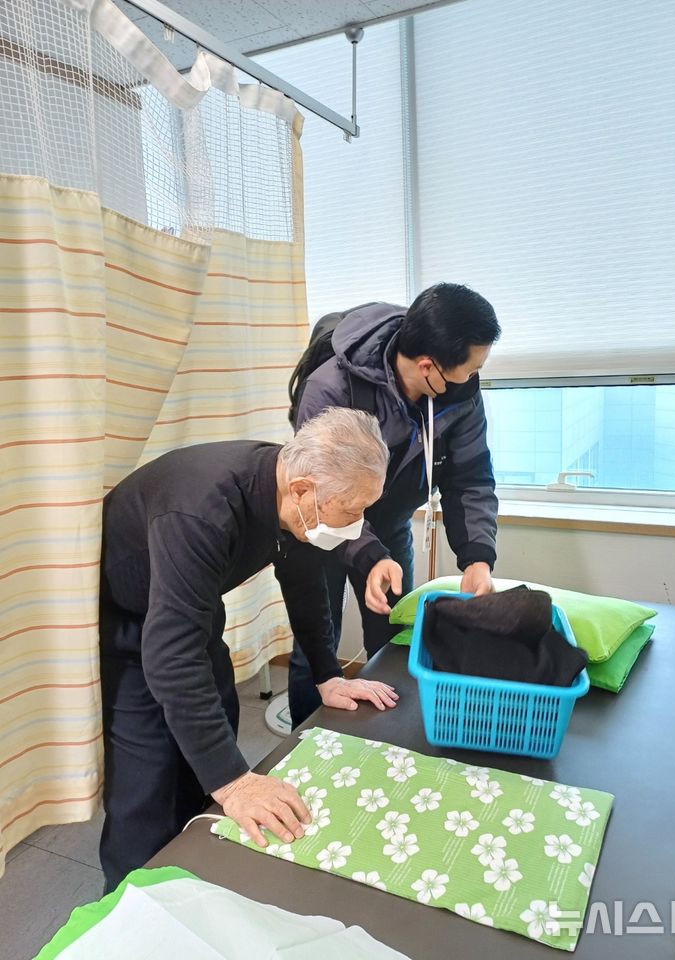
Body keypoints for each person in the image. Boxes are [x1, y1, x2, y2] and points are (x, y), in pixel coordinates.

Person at [98, 408, 398, 892]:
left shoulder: (291, 498)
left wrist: (327, 674)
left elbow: (303, 586)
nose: (356, 525)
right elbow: (171, 657)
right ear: (301, 491)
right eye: (350, 511)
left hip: (190, 612)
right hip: (131, 625)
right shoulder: (203, 508)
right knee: (147, 785)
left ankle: (191, 874)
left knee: (213, 737)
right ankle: (125, 910)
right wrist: (235, 783)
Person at [289, 282, 501, 727]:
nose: (475, 375)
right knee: (318, 642)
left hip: (390, 522)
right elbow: (323, 494)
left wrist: (477, 559)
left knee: (393, 629)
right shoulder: (329, 388)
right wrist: (368, 555)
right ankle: (305, 745)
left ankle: (392, 740)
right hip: (325, 525)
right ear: (428, 367)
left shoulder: (459, 395)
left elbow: (471, 477)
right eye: (470, 367)